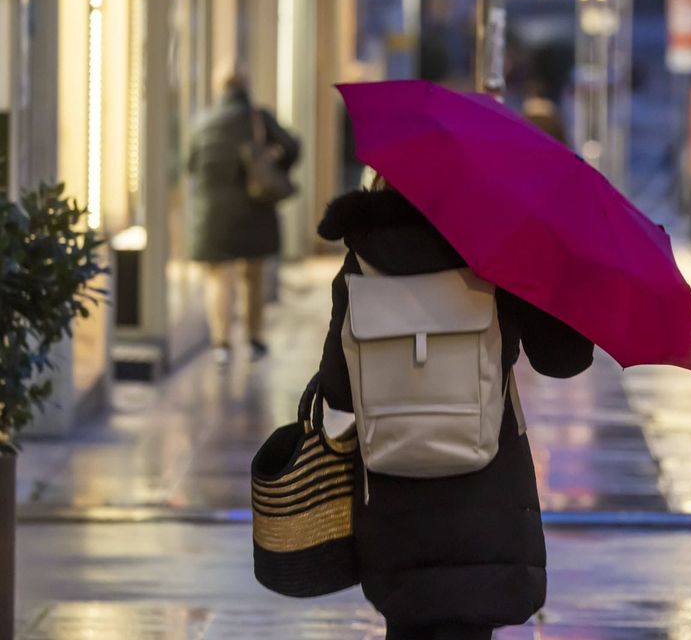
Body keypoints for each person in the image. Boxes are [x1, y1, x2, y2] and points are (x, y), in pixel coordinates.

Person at [316, 177, 594, 640]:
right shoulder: (498, 252)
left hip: (392, 505)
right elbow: (562, 358)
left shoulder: (361, 259)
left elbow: (339, 392)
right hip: (485, 503)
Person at [186, 68, 300, 364]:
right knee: (253, 275)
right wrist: (273, 164)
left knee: (218, 278)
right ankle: (254, 340)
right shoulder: (257, 118)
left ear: (219, 87)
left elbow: (190, 165)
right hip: (254, 208)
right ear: (246, 86)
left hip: (213, 213)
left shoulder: (204, 122)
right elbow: (292, 146)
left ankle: (221, 344)